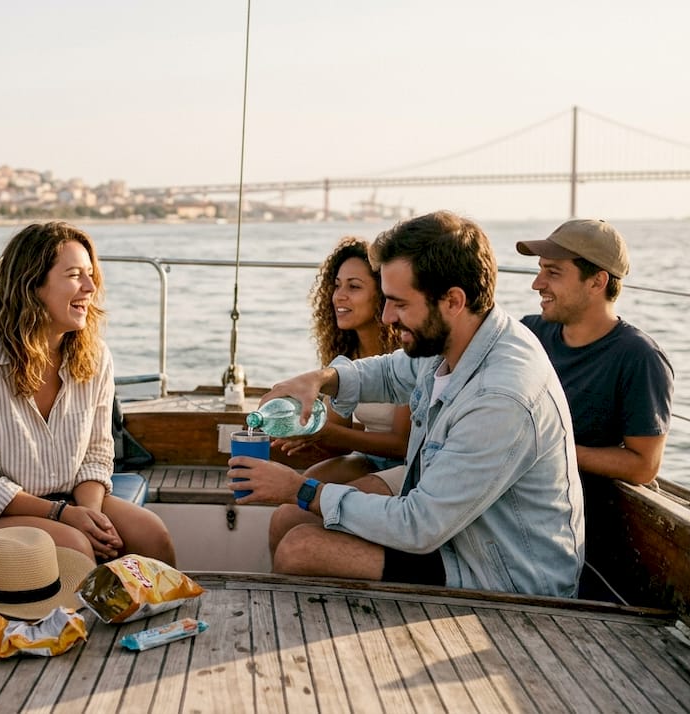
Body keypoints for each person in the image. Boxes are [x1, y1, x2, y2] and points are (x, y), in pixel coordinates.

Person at [230, 210, 584, 597]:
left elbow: (418, 527)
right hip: (458, 537)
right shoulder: (459, 338)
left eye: (398, 303)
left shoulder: (501, 398)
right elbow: (391, 372)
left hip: (508, 576)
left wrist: (302, 490)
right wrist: (320, 378)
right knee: (288, 522)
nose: (386, 316)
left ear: (452, 300)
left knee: (302, 549)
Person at [0, 221, 176, 566]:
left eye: (91, 274)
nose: (90, 287)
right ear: (32, 286)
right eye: (75, 275)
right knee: (73, 548)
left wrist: (89, 516)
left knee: (152, 535)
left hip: (65, 502)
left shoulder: (95, 356)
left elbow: (97, 454)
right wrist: (63, 516)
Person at [516, 219, 674, 486]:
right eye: (540, 270)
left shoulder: (639, 358)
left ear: (597, 281)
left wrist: (548, 449)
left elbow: (643, 467)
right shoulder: (529, 332)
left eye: (553, 273)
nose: (537, 284)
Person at [271, 237, 411, 500]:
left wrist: (326, 432)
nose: (339, 296)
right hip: (369, 459)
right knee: (304, 487)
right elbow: (338, 439)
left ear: (382, 293)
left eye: (354, 287)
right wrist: (307, 432)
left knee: (307, 501)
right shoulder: (346, 354)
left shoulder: (404, 354)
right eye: (336, 286)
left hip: (408, 463)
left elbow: (402, 444)